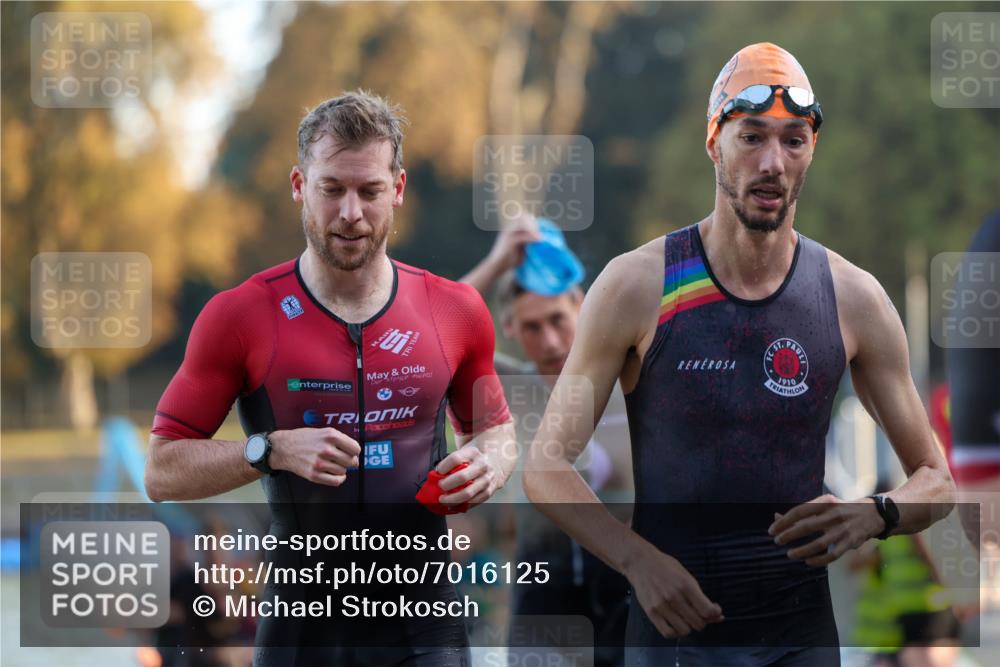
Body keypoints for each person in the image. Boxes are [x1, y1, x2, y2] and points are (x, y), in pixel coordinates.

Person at [523, 42, 956, 666]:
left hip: (801, 641)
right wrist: (636, 560)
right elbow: (546, 467)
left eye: (793, 140)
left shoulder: (853, 299)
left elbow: (937, 480)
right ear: (714, 142)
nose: (773, 162)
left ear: (812, 148)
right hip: (675, 642)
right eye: (751, 137)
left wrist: (876, 514)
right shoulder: (638, 285)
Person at [144, 90, 517, 667]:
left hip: (424, 627)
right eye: (331, 189)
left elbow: (496, 430)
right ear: (299, 185)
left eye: (369, 191)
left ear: (398, 189)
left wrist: (489, 462)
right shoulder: (241, 315)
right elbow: (161, 471)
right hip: (302, 631)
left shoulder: (454, 309)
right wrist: (271, 450)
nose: (350, 213)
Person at [461, 218, 633, 666]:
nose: (551, 341)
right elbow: (439, 335)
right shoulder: (507, 389)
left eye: (558, 319)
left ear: (582, 305)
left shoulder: (631, 381)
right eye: (532, 327)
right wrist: (497, 263)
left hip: (629, 591)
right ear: (509, 327)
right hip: (541, 597)